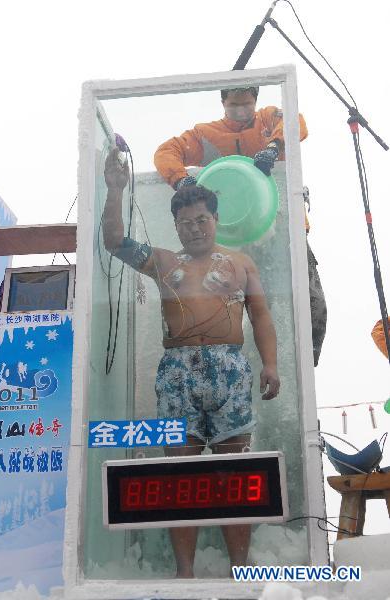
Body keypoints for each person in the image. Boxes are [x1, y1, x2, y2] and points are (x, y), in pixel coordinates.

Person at [103, 148, 280, 578]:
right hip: (177, 373)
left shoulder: (240, 263)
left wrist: (270, 365)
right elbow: (113, 242)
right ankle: (185, 574)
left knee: (235, 477)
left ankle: (241, 570)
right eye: (185, 222)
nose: (194, 228)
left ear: (216, 219)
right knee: (179, 478)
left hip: (230, 372)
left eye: (201, 219)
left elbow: (260, 316)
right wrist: (114, 189)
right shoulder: (164, 261)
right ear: (176, 226)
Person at [154, 86, 327, 366]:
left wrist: (273, 146)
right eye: (234, 105)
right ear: (223, 102)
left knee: (311, 300)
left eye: (247, 104)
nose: (241, 111)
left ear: (255, 101)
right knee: (259, 305)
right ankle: (253, 372)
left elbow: (297, 122)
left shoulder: (269, 120)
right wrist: (181, 181)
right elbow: (166, 152)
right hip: (242, 238)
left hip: (284, 228)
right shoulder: (207, 135)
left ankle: (307, 367)